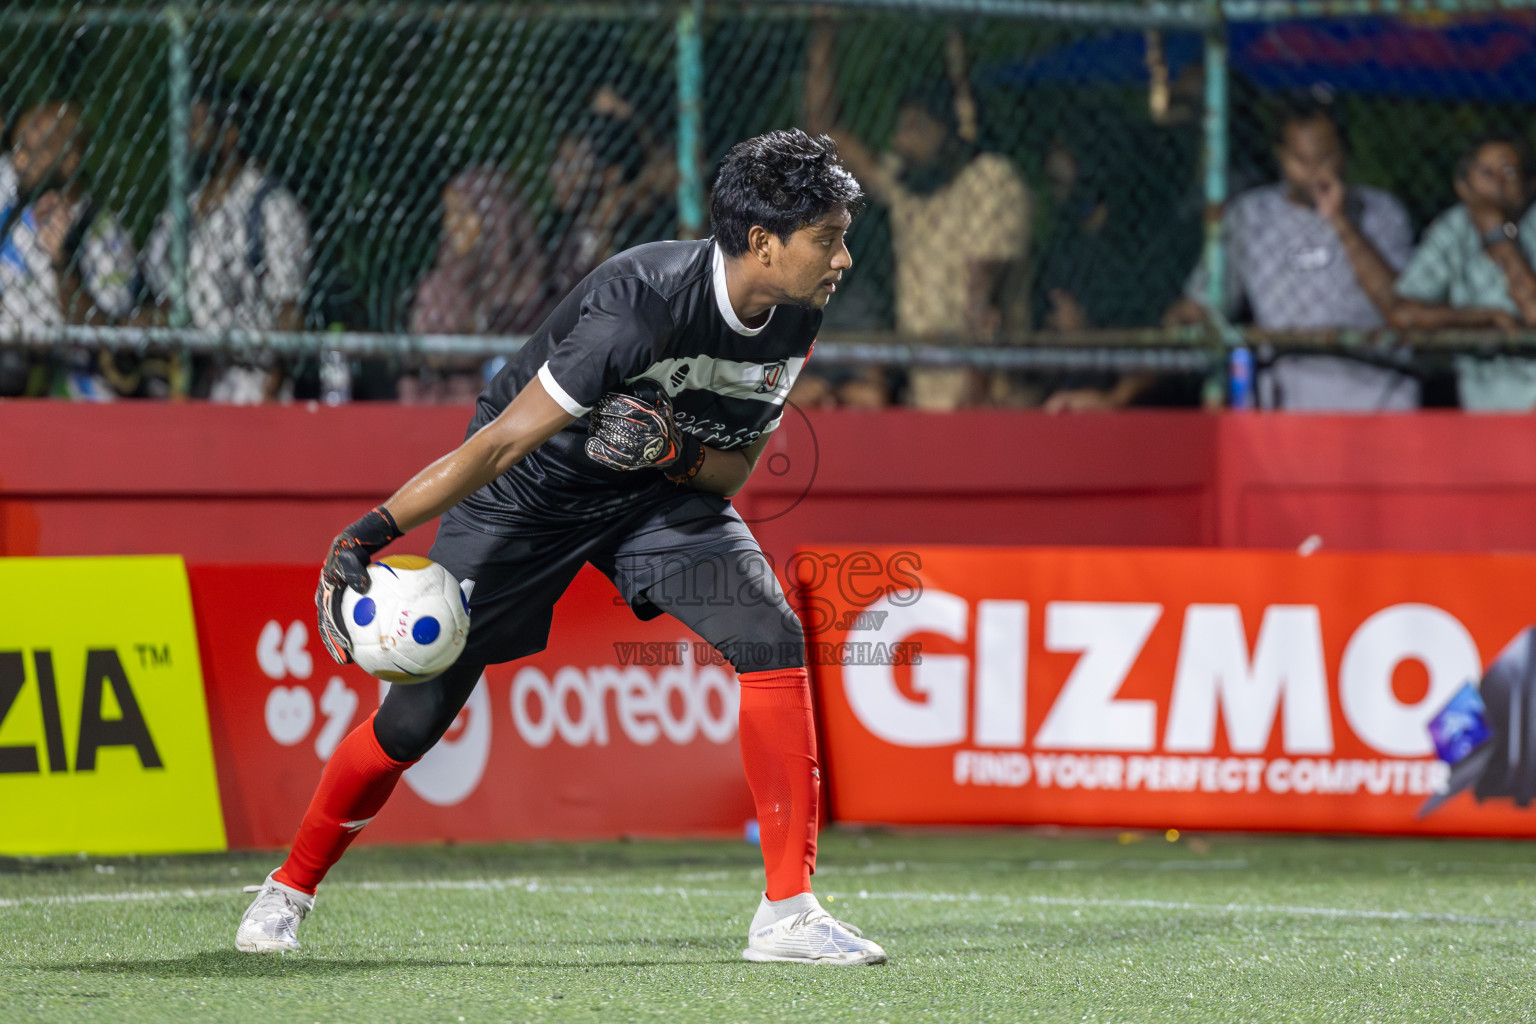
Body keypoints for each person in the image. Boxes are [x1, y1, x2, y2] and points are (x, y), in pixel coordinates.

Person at [236, 129, 888, 967]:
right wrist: (371, 530)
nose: (843, 259)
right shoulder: (640, 306)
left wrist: (671, 454)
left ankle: (789, 915)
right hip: (529, 489)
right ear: (764, 243)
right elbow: (500, 444)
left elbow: (728, 472)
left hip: (655, 489)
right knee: (414, 717)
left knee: (771, 635)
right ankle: (286, 890)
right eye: (828, 239)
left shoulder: (799, 310)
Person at [1058, 99, 1415, 412]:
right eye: (1301, 160)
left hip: (1379, 402)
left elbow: (1396, 303)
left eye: (1326, 158)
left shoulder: (1381, 213)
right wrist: (1119, 396)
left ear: (1345, 154)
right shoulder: (1250, 216)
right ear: (1281, 156)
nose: (1315, 173)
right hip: (1291, 412)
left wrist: (1340, 221)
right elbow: (1198, 313)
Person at [804, 23, 1029, 409]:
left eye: (916, 127)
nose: (901, 140)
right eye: (901, 127)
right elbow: (822, 132)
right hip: (924, 386)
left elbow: (984, 304)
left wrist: (971, 402)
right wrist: (825, 29)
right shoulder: (910, 185)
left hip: (987, 391)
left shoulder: (990, 179)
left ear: (950, 134)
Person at [142, 85, 312, 403]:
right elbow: (160, 286)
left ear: (230, 135)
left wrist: (270, 393)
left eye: (196, 126)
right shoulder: (183, 209)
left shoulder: (269, 206)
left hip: (251, 385)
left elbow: (288, 310)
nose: (186, 140)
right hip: (191, 382)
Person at [0, 101, 137, 399]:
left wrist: (63, 263)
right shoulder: (9, 219)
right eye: (17, 150)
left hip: (78, 398)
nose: (19, 163)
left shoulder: (101, 234)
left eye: (32, 151)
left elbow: (105, 336)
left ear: (70, 160)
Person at [1390, 136, 1536, 410]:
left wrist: (1497, 236)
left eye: (1509, 172)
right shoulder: (1454, 227)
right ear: (1463, 186)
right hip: (1480, 408)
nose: (1497, 183)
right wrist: (1483, 318)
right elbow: (1402, 314)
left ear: (1529, 184)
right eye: (1485, 173)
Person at [405, 166, 545, 403]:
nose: (451, 224)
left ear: (493, 217)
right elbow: (422, 354)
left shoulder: (524, 286)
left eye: (462, 213)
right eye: (448, 213)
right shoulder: (439, 283)